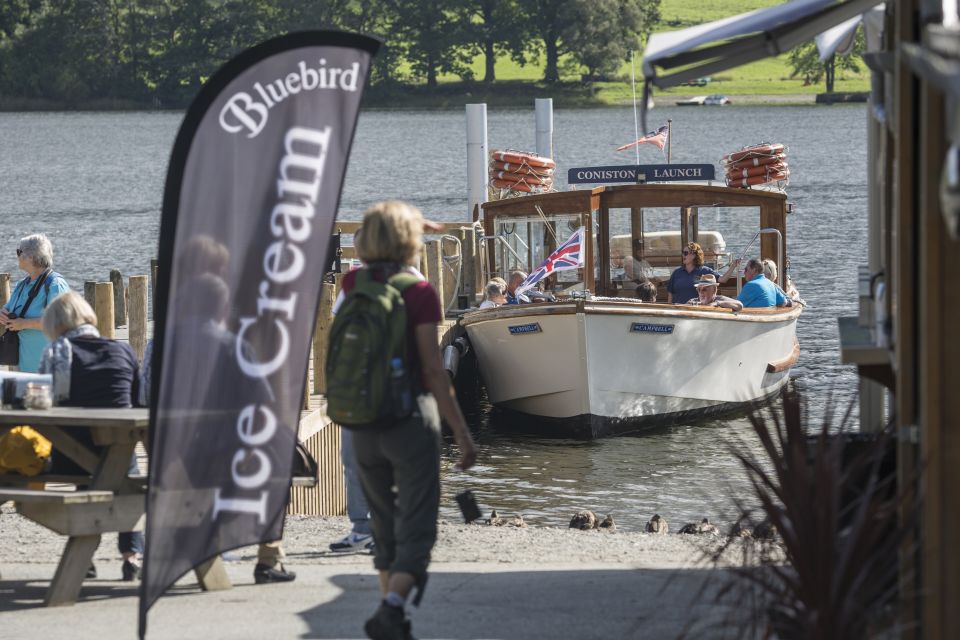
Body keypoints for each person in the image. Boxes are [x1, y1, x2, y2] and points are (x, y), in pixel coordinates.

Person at [343, 201, 477, 640]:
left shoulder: (351, 283)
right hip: (408, 421)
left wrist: (392, 225)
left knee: (383, 527)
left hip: (362, 422)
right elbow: (434, 371)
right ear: (410, 241)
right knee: (417, 528)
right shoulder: (420, 292)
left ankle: (393, 622)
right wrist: (460, 431)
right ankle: (392, 607)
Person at [38, 292, 143, 581]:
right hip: (120, 453)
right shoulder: (122, 351)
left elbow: (44, 406)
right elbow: (137, 404)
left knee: (86, 465)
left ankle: (84, 558)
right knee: (124, 477)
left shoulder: (56, 352)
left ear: (55, 324)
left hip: (71, 459)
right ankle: (131, 556)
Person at [0, 234, 70, 372]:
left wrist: (24, 324)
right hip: (20, 363)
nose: (17, 256)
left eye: (18, 252)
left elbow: (60, 323)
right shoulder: (22, 285)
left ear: (30, 256)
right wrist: (3, 314)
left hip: (47, 366)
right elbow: (8, 309)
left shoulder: (55, 284)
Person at [666, 242, 737, 305]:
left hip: (696, 310)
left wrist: (733, 266)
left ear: (694, 255)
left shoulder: (705, 271)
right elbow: (670, 294)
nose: (683, 255)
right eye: (683, 253)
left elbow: (722, 279)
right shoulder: (676, 273)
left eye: (685, 253)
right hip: (679, 310)